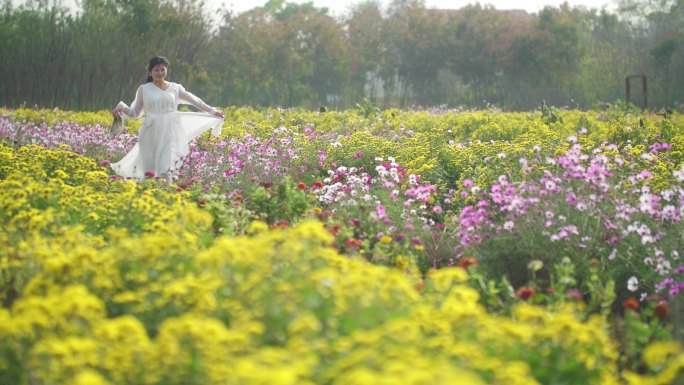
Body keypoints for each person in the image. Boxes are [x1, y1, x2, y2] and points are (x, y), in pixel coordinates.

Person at [111, 56, 225, 184]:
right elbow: (135, 113)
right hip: (149, 132)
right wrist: (123, 107)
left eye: (162, 69)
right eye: (156, 70)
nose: (160, 73)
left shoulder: (175, 88)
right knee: (149, 170)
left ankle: (167, 196)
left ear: (166, 70)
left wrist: (212, 111)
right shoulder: (144, 89)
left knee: (165, 169)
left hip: (170, 131)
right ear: (150, 72)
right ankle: (150, 196)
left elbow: (196, 101)